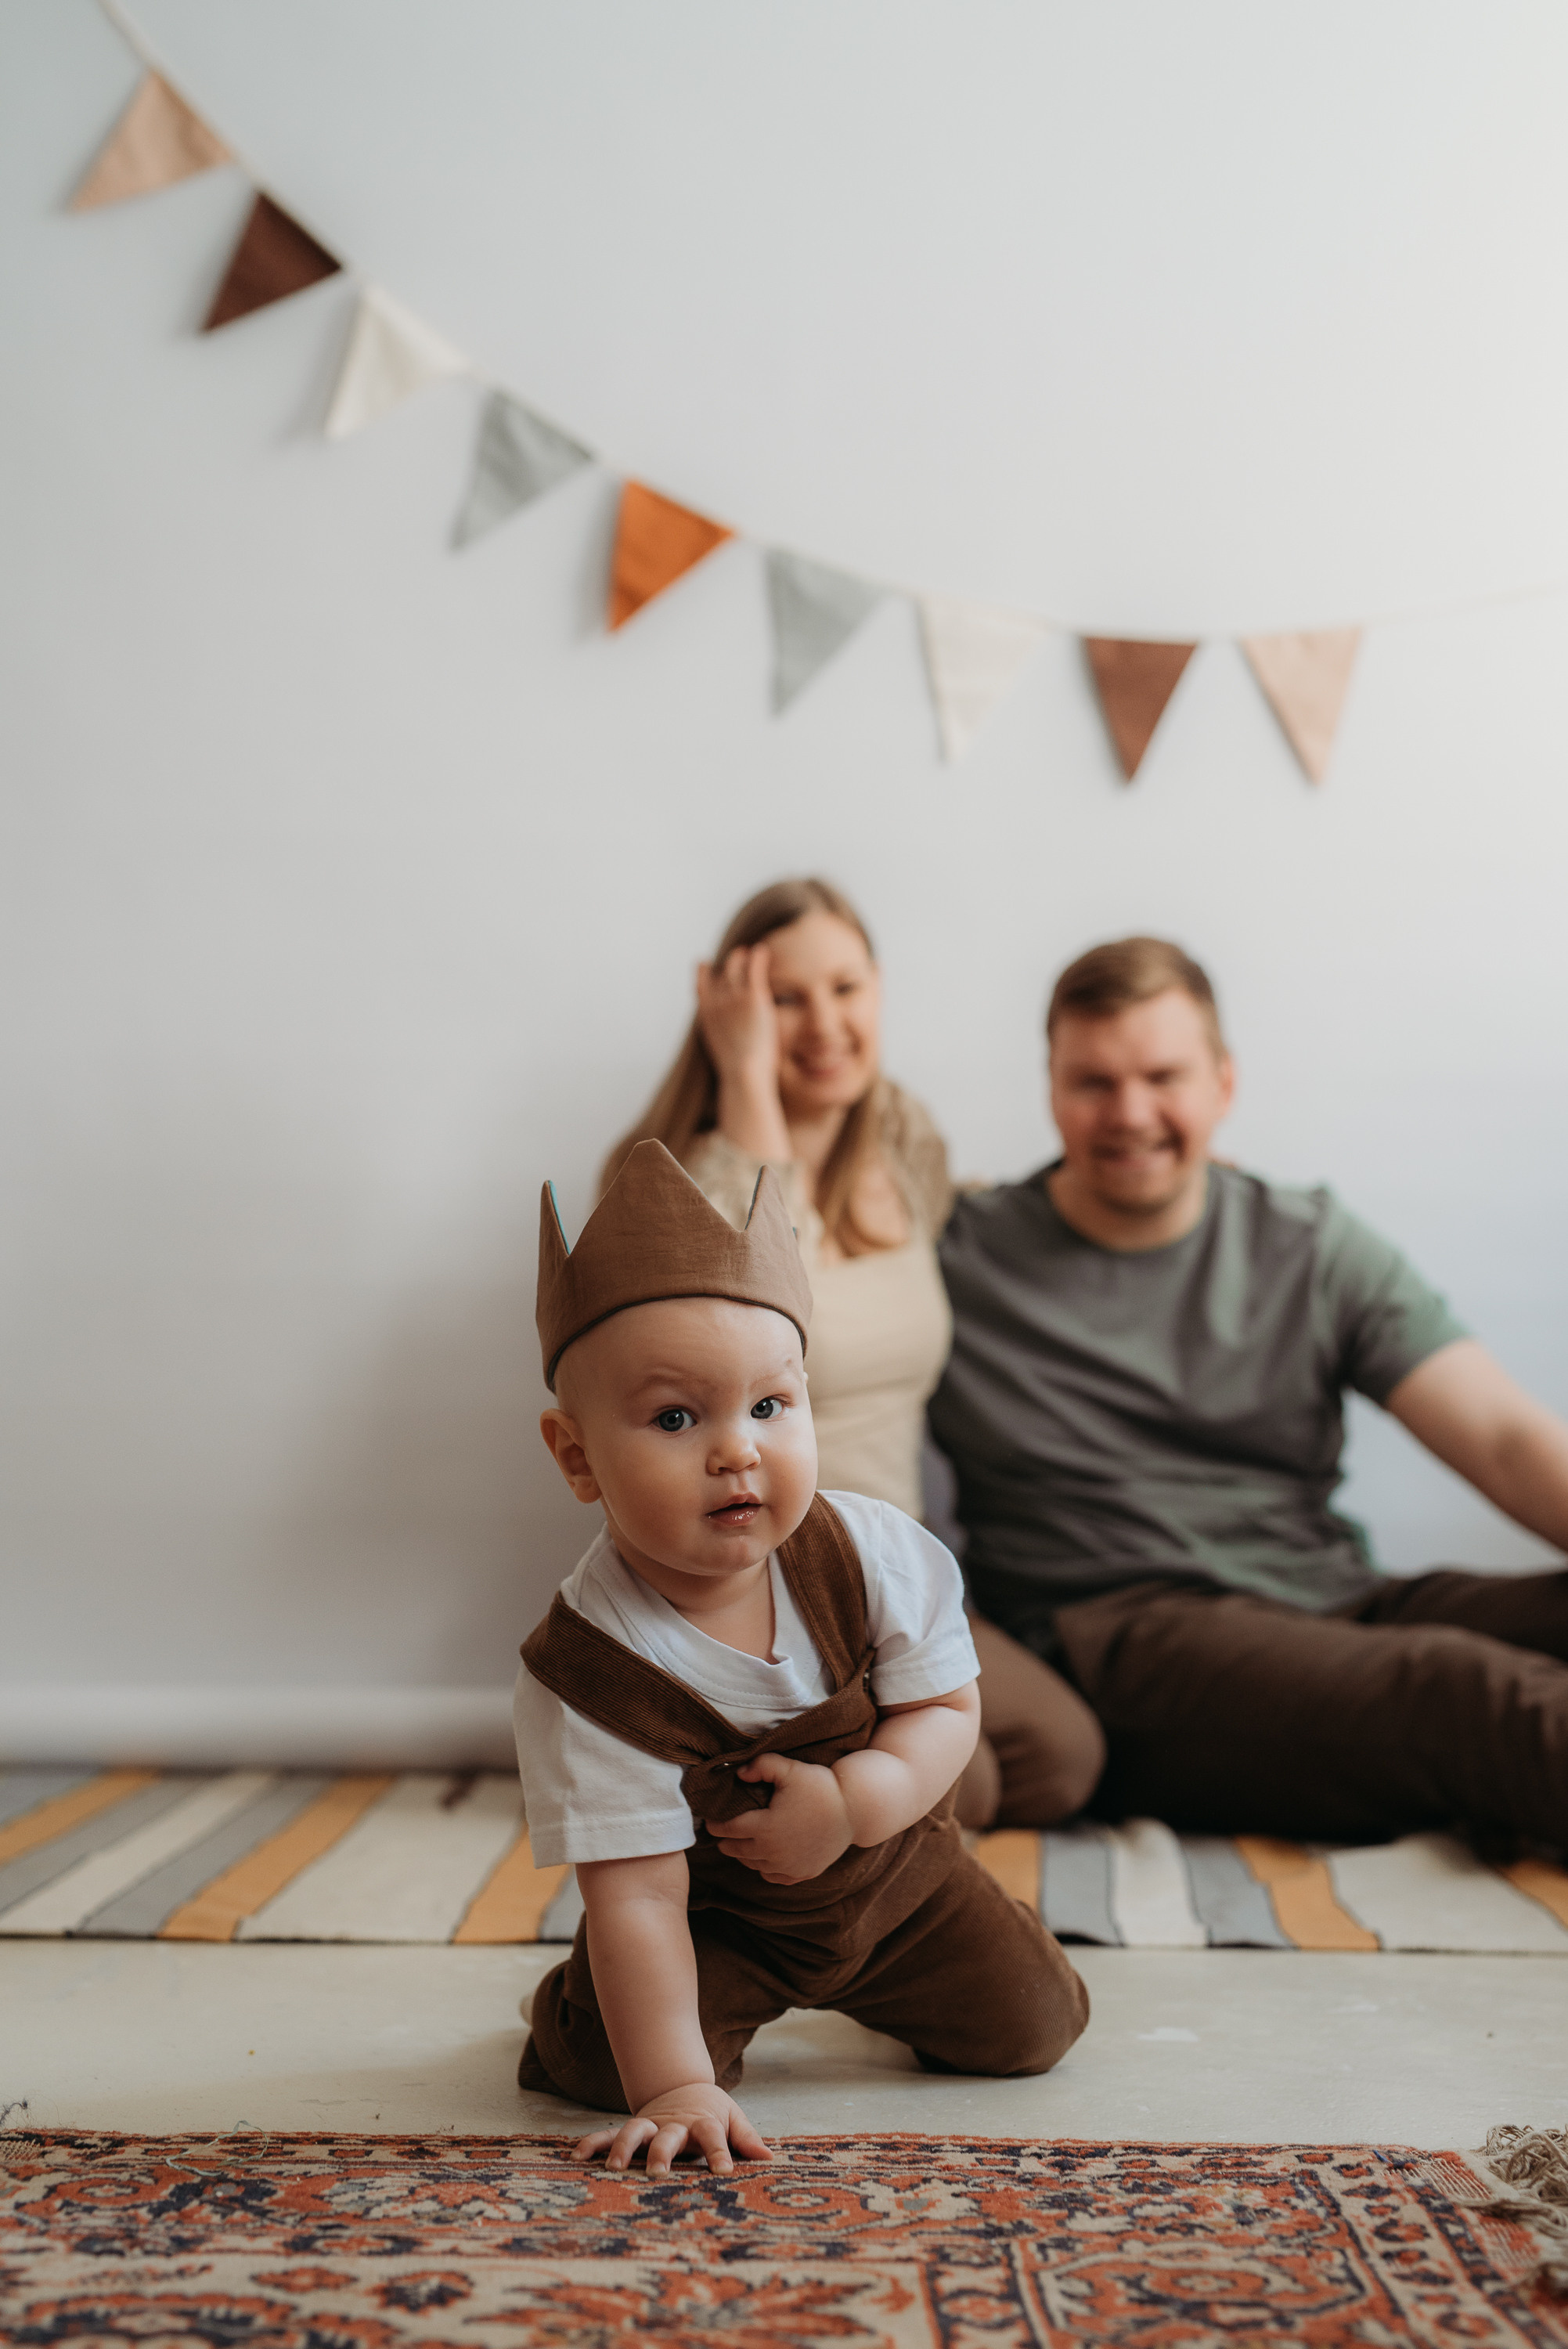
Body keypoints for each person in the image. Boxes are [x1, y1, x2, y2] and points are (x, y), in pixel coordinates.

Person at [514, 1140, 1088, 2174]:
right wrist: (677, 2086)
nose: (737, 1450)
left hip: (898, 1879)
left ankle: (891, 1985)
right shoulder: (589, 1666)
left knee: (1034, 2028)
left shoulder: (873, 1555)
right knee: (611, 2064)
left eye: (770, 1406)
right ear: (576, 1456)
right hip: (717, 1922)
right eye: (676, 1416)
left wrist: (856, 1804)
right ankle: (568, 2005)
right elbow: (637, 1896)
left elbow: (945, 1715)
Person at [929, 935, 1568, 1852]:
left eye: (1162, 1076)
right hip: (1121, 1638)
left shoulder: (1306, 1244)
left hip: (1327, 1598)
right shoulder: (959, 1254)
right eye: (1093, 1083)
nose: (1130, 1113)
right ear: (1050, 1089)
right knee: (1465, 1695)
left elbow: (1503, 1436)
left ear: (1222, 1083)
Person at [603, 876, 1105, 1831]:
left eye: (843, 988)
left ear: (877, 989)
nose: (822, 1023)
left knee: (1058, 1757)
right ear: (732, 1017)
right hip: (764, 1578)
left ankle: (822, 1794)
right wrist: (748, 1083)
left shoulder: (903, 1145)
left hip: (895, 1572)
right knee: (968, 1786)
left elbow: (993, 1212)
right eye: (785, 999)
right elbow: (748, 1298)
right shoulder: (688, 1186)